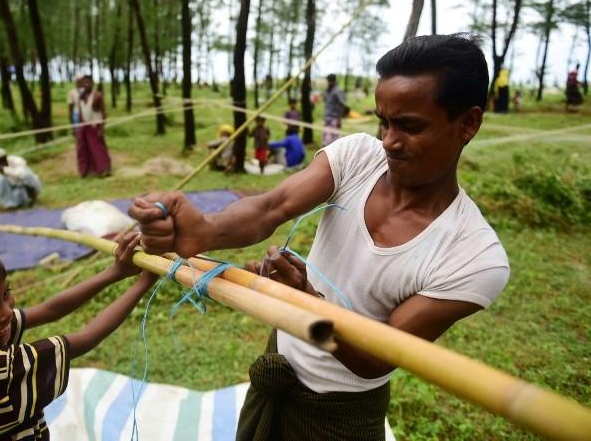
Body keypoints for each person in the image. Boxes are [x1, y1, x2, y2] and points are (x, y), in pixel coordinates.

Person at [128, 34, 509, 440]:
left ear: (468, 123)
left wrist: (308, 303)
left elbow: (376, 360)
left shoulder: (474, 257)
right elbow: (270, 207)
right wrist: (204, 230)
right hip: (278, 367)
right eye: (384, 121)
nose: (389, 142)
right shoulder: (357, 156)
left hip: (339, 417)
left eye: (410, 126)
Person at [0, 235, 156, 441]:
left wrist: (115, 272)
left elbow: (49, 310)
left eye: (5, 295)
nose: (6, 312)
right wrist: (143, 282)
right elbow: (87, 337)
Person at [68, 74, 111, 177]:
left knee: (98, 149)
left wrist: (101, 128)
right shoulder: (81, 97)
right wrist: (77, 127)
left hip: (95, 126)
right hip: (84, 127)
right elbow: (80, 113)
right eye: (84, 83)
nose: (86, 85)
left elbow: (103, 113)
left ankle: (104, 169)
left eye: (88, 83)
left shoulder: (97, 96)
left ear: (92, 84)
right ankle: (85, 171)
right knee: (83, 149)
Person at [322, 74, 345, 146]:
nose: (329, 83)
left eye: (330, 81)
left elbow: (342, 105)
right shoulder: (327, 90)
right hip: (327, 118)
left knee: (335, 141)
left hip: (334, 119)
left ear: (334, 81)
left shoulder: (338, 90)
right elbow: (326, 101)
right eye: (328, 81)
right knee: (326, 139)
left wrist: (339, 120)